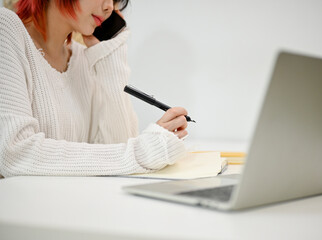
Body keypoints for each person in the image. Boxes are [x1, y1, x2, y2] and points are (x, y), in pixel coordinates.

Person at [0, 0, 189, 177]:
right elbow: (14, 153)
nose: (109, 7)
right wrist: (141, 152)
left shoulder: (84, 58)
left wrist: (110, 55)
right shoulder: (6, 29)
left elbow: (118, 146)